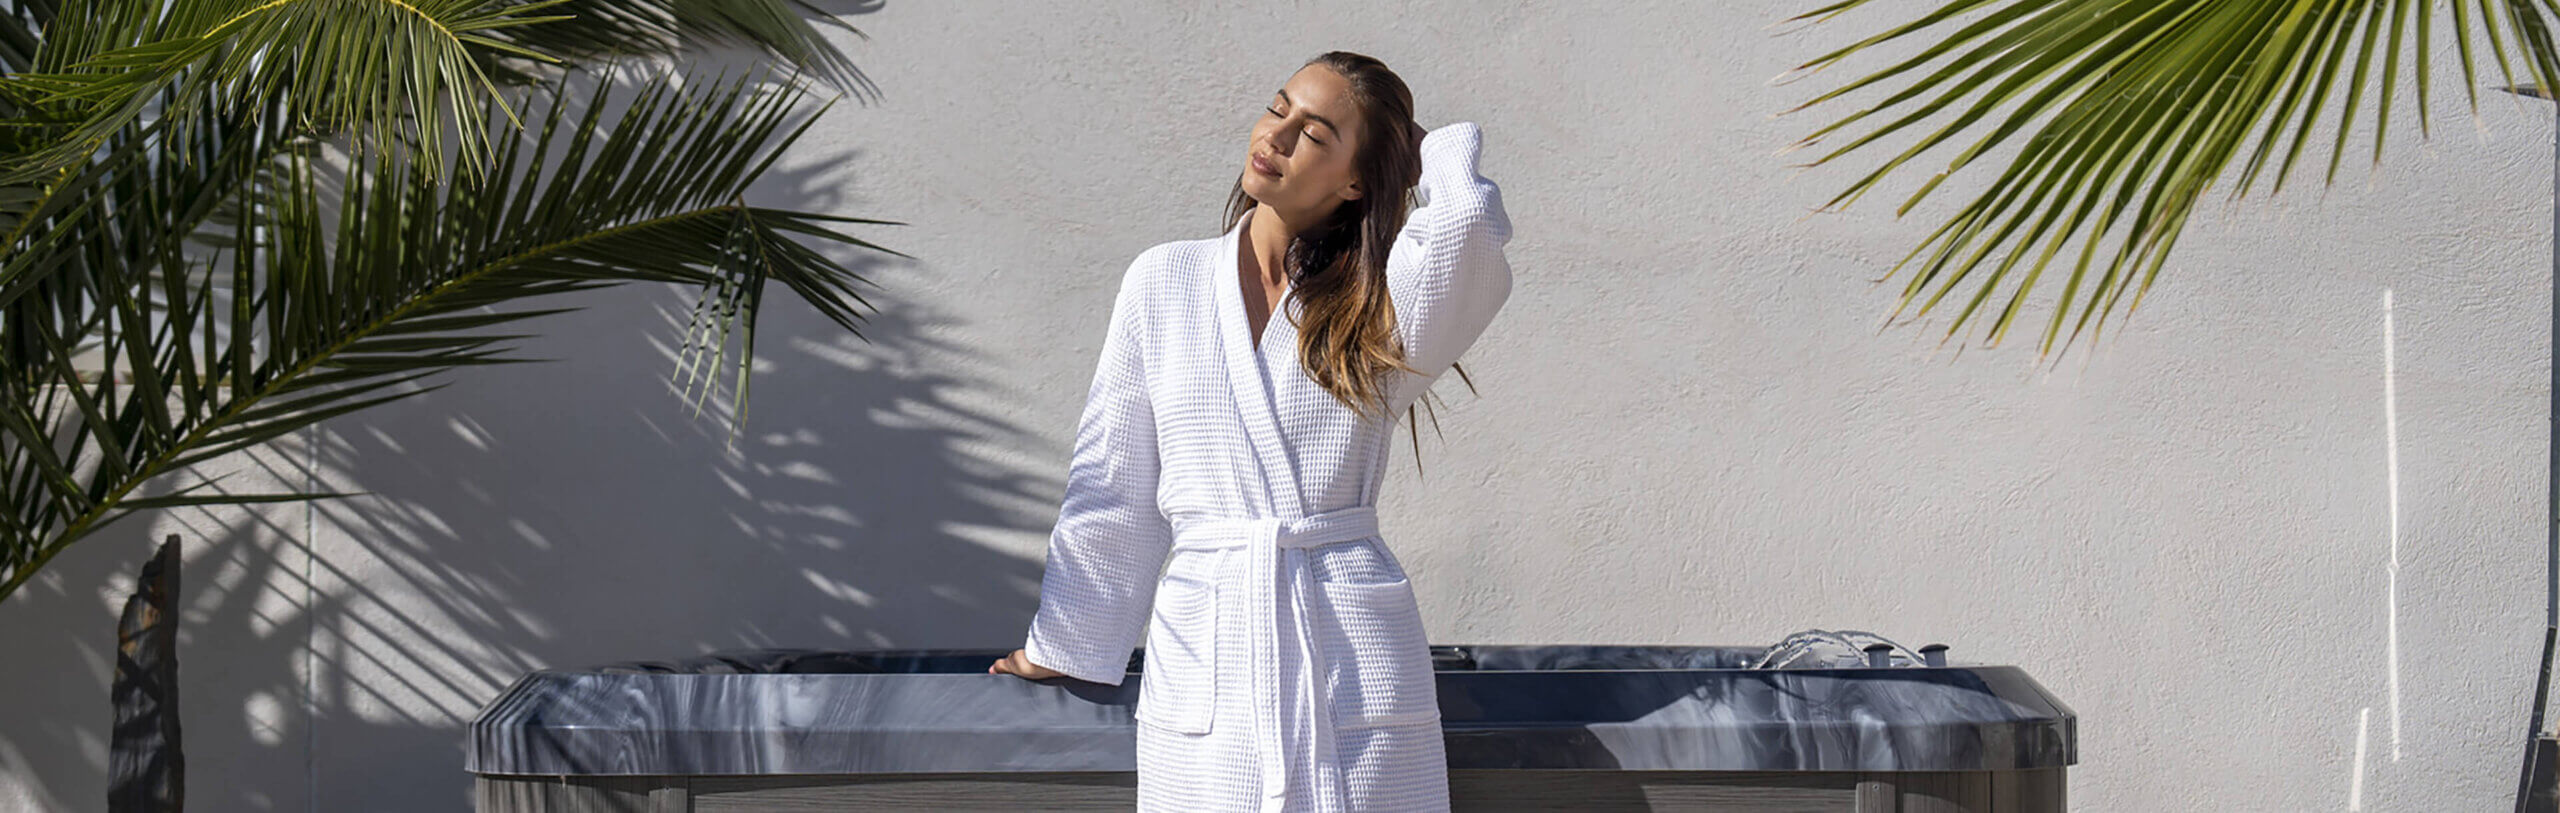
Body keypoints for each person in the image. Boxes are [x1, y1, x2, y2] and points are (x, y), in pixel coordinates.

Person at [989, 50, 1514, 812]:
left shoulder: (1379, 305)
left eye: (1315, 133)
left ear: (1356, 179)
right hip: (1210, 646)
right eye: (1278, 109)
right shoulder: (1162, 281)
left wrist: (1425, 149)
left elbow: (1467, 228)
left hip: (1349, 643)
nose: (1276, 135)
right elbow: (1115, 483)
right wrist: (1063, 642)